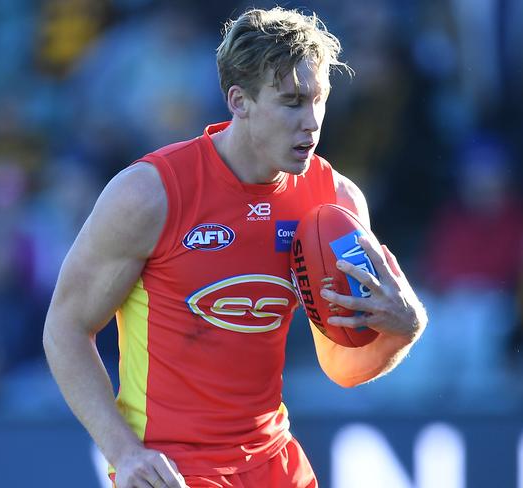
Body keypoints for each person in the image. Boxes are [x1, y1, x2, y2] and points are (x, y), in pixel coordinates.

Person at [42, 7, 427, 488]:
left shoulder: (335, 202)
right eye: (291, 103)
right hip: (171, 470)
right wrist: (124, 452)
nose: (311, 122)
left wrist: (404, 329)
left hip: (274, 465)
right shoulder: (151, 194)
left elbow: (342, 365)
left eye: (319, 100)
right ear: (238, 101)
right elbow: (65, 328)